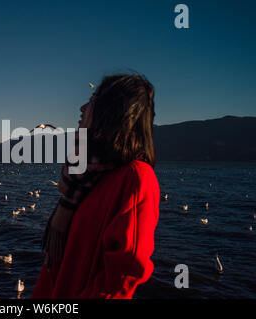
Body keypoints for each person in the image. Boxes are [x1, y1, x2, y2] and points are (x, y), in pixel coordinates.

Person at [32, 73, 160, 299]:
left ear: (111, 112)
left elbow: (124, 275)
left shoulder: (134, 178)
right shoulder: (86, 175)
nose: (82, 108)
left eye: (92, 101)